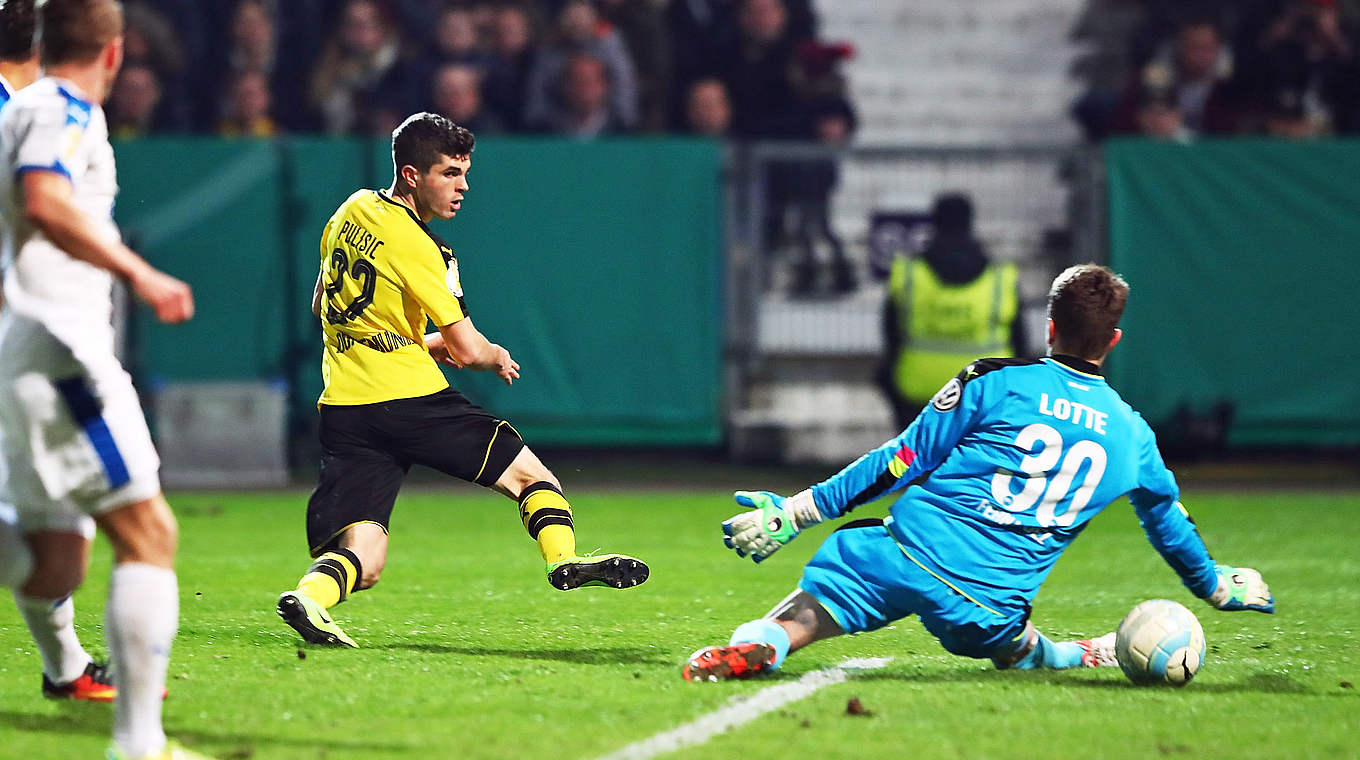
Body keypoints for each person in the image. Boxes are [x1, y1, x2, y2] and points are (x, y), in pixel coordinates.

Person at [684, 264, 1274, 682]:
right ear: (1113, 341)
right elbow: (1169, 527)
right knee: (1018, 650)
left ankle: (760, 645)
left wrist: (796, 512)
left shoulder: (994, 380)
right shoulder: (1134, 435)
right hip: (988, 606)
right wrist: (1215, 587)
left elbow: (900, 461)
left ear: (1049, 327)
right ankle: (1079, 655)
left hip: (906, 553)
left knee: (800, 619)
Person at [275, 112, 648, 650]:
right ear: (411, 174)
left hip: (344, 407)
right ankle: (563, 560)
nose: (463, 186)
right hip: (409, 401)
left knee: (366, 554)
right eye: (449, 173)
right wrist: (494, 354)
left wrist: (420, 343)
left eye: (465, 173)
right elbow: (468, 349)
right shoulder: (422, 247)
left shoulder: (351, 209)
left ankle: (309, 599)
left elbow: (324, 307)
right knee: (528, 476)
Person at [0, 2, 211, 758]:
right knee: (149, 533)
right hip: (62, 352)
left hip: (24, 349)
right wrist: (140, 272)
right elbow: (45, 201)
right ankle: (139, 745)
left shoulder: (16, 104)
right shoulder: (62, 109)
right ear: (116, 54)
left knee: (57, 561)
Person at [0, 0, 120, 707]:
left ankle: (66, 665)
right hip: (23, 334)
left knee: (58, 525)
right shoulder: (42, 112)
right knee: (97, 522)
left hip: (35, 334)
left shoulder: (38, 105)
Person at [880, 193, 1023, 431]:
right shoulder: (1000, 277)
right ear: (970, 222)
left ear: (934, 223)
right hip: (984, 388)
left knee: (915, 461)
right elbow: (1019, 339)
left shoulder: (909, 273)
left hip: (918, 388)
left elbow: (891, 332)